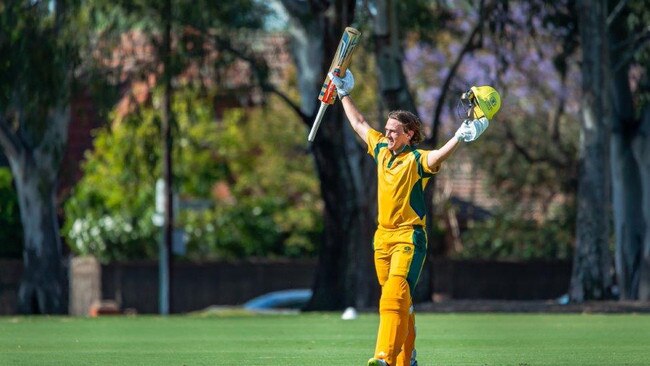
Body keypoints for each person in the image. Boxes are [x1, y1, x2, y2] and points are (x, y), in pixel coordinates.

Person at [328, 70, 501, 366]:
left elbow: (439, 156)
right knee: (401, 302)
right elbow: (358, 123)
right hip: (382, 238)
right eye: (388, 129)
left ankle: (384, 358)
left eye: (395, 131)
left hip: (409, 237)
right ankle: (407, 359)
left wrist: (459, 136)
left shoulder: (417, 160)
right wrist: (344, 93)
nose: (389, 134)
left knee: (393, 296)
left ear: (409, 134)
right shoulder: (381, 149)